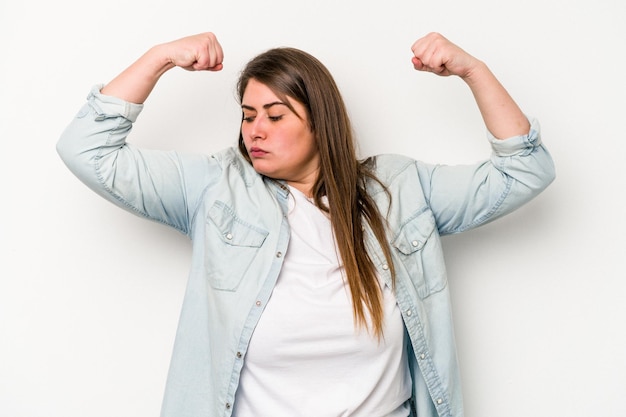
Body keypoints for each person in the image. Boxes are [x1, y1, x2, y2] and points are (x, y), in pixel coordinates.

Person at [56, 31, 555, 417]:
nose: (255, 130)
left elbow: (525, 170)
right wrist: (160, 57)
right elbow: (86, 150)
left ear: (321, 121)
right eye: (249, 115)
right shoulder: (216, 188)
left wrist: (474, 71)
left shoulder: (399, 191)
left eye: (275, 115)